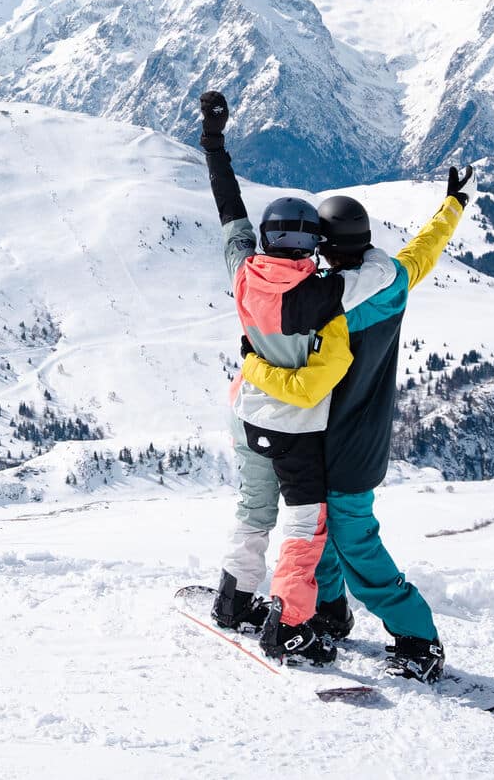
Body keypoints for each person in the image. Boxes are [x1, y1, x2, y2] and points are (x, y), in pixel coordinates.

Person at [238, 153, 474, 684]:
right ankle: (329, 611)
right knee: (319, 527)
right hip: (349, 434)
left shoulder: (335, 301)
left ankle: (419, 637)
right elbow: (423, 251)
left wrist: (252, 357)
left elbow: (282, 313)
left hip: (346, 440)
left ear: (327, 248)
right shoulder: (390, 277)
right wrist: (453, 205)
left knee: (354, 540)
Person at [198, 90, 395, 663]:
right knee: (306, 527)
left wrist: (215, 140)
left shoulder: (242, 269)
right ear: (312, 245)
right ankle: (289, 624)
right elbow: (380, 274)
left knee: (253, 513)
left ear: (265, 238)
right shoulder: (324, 293)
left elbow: (228, 206)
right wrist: (352, 252)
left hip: (246, 414)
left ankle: (233, 602)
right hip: (296, 430)